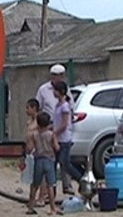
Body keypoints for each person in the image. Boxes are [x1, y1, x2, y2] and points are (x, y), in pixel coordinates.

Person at [35, 64, 75, 195]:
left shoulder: (65, 95)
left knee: (64, 162)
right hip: (50, 124)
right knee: (51, 160)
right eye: (55, 76)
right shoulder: (43, 89)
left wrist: (56, 132)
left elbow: (70, 112)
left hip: (58, 130)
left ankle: (68, 185)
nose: (58, 78)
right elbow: (38, 106)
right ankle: (50, 190)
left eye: (61, 76)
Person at [25, 112, 62, 216]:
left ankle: (30, 207)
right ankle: (52, 208)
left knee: (35, 185)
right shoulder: (51, 134)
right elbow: (57, 147)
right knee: (50, 185)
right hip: (50, 160)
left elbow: (30, 148)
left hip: (38, 160)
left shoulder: (34, 135)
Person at [51, 81, 83, 187]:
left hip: (64, 139)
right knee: (55, 163)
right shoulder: (58, 105)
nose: (54, 92)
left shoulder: (65, 106)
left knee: (65, 164)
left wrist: (55, 133)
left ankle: (81, 180)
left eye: (55, 90)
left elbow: (64, 124)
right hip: (58, 138)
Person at [24, 98, 48, 206]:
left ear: (34, 108)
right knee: (31, 176)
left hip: (37, 150)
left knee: (40, 175)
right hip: (30, 151)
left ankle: (41, 197)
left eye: (28, 108)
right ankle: (32, 198)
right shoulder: (29, 122)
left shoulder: (39, 122)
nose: (26, 110)